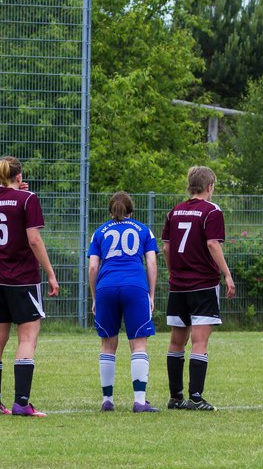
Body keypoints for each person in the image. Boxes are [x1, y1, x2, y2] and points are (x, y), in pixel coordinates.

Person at [0, 156, 59, 417]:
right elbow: (33, 239)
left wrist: (7, 191)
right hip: (23, 278)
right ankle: (22, 403)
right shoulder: (28, 199)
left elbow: (0, 214)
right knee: (27, 338)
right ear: (20, 176)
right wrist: (50, 273)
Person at [162, 166, 235, 411]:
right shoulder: (212, 211)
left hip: (178, 285)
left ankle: (175, 397)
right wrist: (226, 274)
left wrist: (173, 273)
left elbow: (166, 248)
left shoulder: (174, 212)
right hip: (203, 284)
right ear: (209, 186)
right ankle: (195, 397)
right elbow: (213, 244)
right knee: (200, 341)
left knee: (176, 341)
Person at [88, 192, 160, 413]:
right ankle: (139, 401)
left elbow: (92, 267)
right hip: (134, 286)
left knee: (108, 344)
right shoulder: (144, 230)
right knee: (138, 344)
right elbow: (152, 262)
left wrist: (94, 297)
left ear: (110, 212)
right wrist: (151, 294)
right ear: (132, 211)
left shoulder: (99, 232)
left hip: (106, 288)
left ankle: (107, 400)